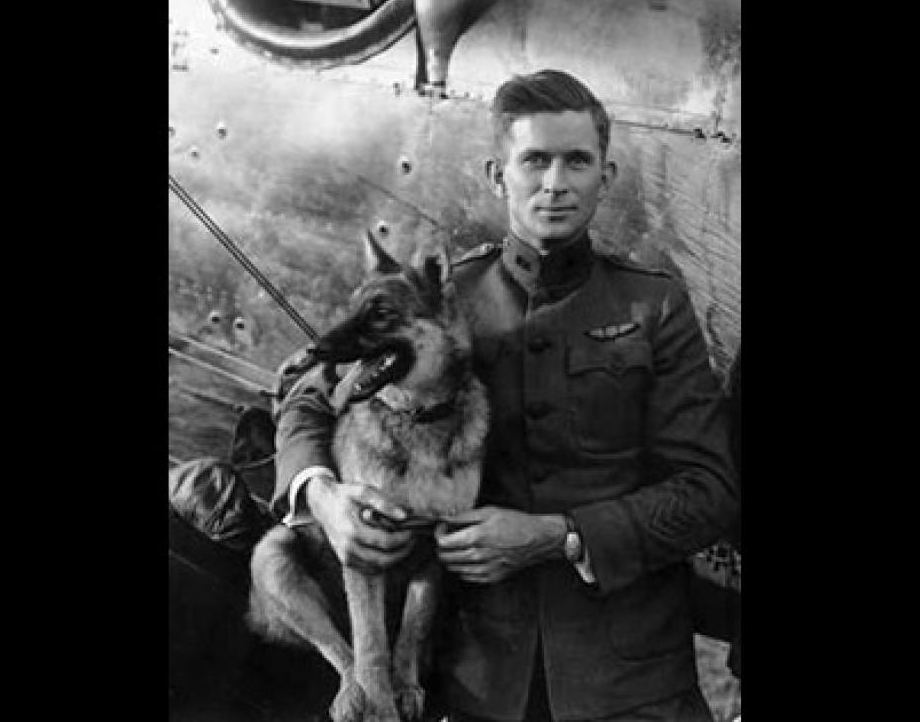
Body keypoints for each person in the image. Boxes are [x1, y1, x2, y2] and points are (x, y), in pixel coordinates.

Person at [271, 69, 740, 722]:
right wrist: (322, 497)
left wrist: (561, 536)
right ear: (498, 175)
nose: (555, 183)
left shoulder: (655, 305)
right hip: (472, 680)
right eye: (535, 161)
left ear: (606, 177)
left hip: (632, 687)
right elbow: (311, 397)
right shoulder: (437, 301)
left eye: (577, 161)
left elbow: (710, 490)